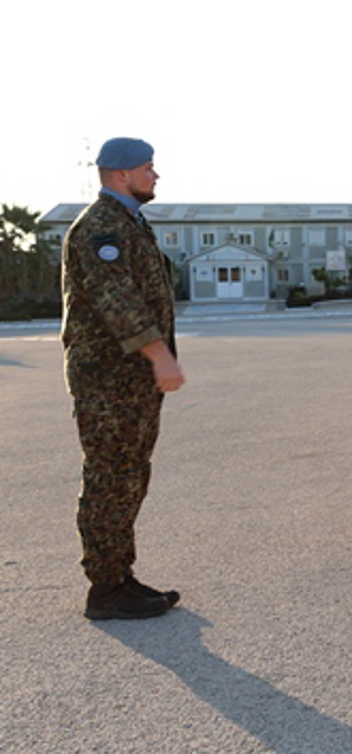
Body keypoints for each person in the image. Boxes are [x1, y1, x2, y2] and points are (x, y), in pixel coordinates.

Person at [62, 138, 184, 620]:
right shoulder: (100, 229)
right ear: (120, 175)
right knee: (110, 472)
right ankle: (105, 588)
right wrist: (160, 356)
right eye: (148, 169)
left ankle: (120, 574)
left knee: (130, 472)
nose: (156, 176)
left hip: (131, 378)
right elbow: (118, 301)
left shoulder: (130, 223)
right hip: (109, 378)